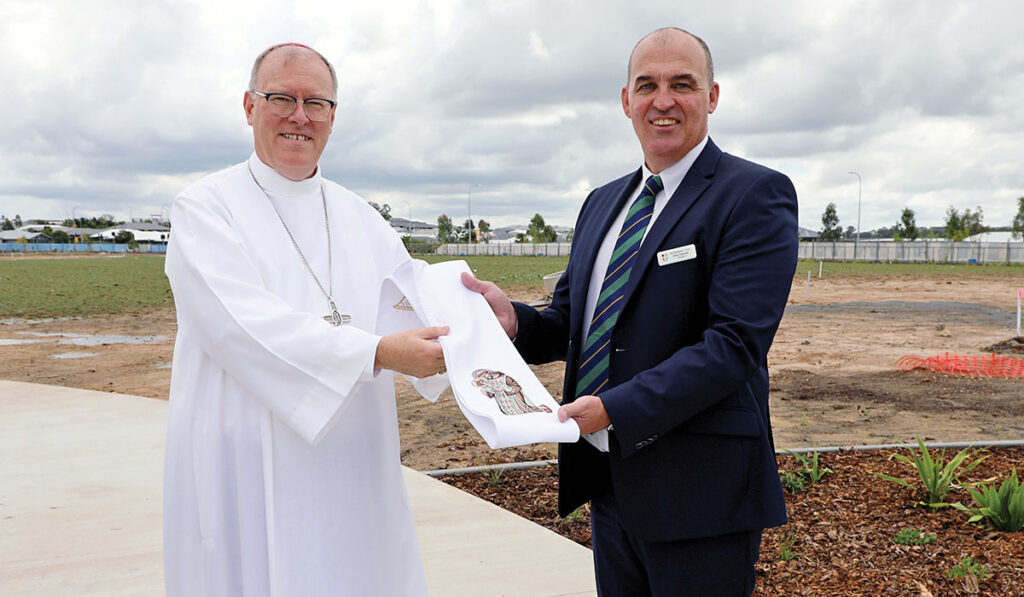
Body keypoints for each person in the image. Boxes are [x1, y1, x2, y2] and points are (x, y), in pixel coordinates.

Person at [463, 27, 798, 596]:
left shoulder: (753, 195)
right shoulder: (602, 202)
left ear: (712, 96)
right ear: (626, 100)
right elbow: (574, 321)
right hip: (611, 482)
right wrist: (516, 320)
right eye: (647, 85)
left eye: (682, 85)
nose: (662, 100)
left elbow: (734, 346)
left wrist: (610, 409)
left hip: (701, 496)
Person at [163, 43, 448, 596]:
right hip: (244, 450)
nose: (299, 116)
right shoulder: (203, 207)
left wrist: (474, 318)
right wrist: (374, 353)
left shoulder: (362, 216)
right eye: (281, 99)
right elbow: (239, 325)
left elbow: (412, 301)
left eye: (315, 103)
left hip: (352, 454)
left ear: (333, 117)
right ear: (249, 106)